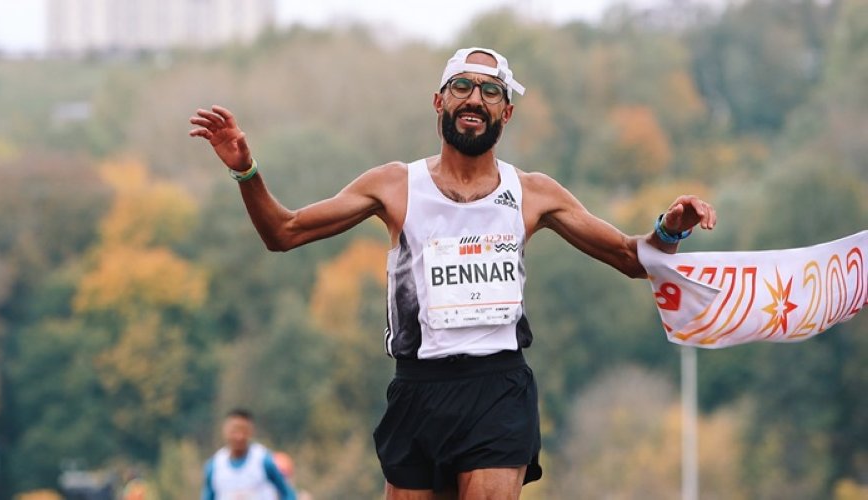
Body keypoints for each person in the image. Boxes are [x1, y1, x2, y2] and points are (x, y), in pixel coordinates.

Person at [189, 47, 716, 500]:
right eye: (461, 86)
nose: (474, 98)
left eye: (490, 92)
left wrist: (669, 229)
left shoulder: (532, 192)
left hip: (497, 388)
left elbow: (629, 257)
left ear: (506, 113)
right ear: (439, 102)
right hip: (417, 387)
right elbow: (284, 232)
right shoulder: (394, 185)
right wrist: (245, 171)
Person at [202, 408, 297, 500]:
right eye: (234, 431)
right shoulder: (214, 466)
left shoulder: (264, 461)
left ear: (251, 431)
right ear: (225, 431)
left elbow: (287, 493)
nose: (239, 436)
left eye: (244, 431)